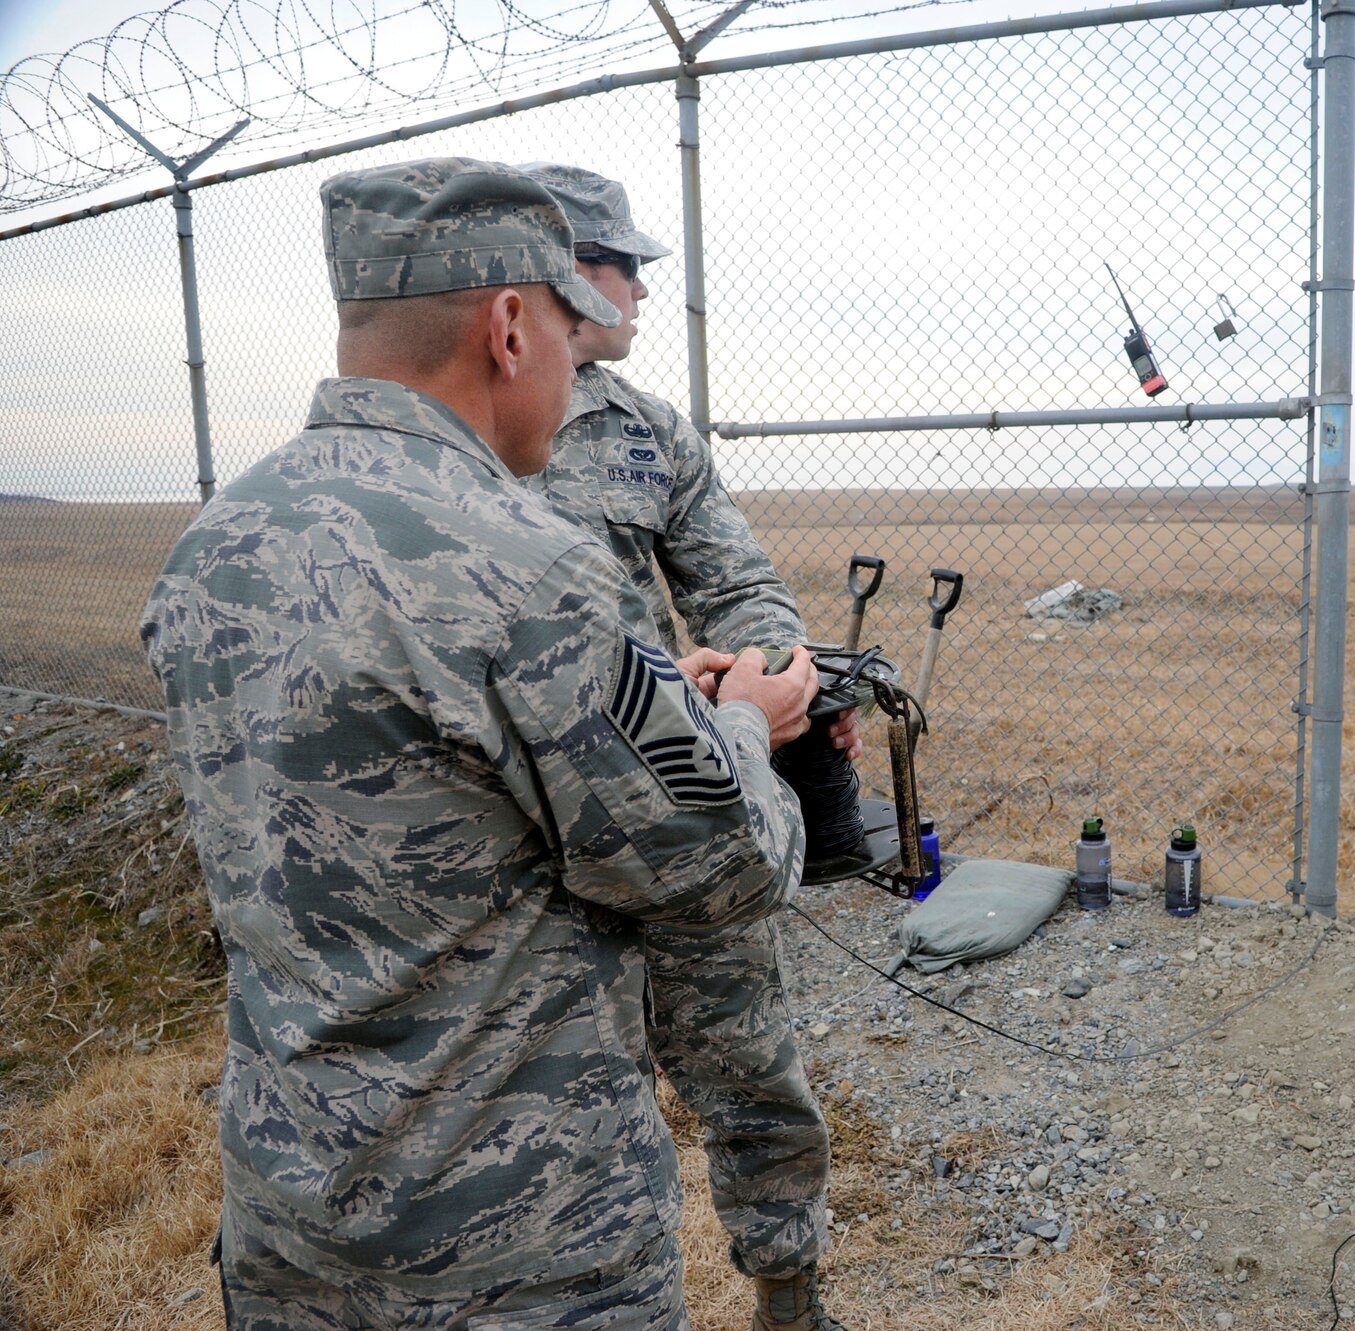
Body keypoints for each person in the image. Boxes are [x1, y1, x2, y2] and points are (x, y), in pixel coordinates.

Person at [139, 156, 818, 1330]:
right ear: (511, 323)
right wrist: (745, 723)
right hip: (521, 1247)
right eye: (571, 312)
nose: (588, 337)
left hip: (294, 1218)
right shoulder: (528, 564)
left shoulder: (216, 542)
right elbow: (724, 863)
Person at [517, 161, 850, 1331]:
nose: (644, 290)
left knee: (751, 1064)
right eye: (624, 266)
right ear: (556, 273)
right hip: (515, 835)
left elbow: (739, 582)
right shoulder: (459, 434)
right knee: (552, 1098)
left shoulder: (646, 430)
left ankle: (789, 1295)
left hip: (668, 794)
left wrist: (752, 671)